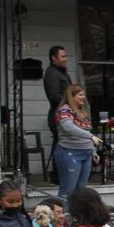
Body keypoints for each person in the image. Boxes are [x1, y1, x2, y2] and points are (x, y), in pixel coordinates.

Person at [54, 84, 103, 201]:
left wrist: (93, 152)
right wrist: (91, 137)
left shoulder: (82, 113)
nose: (84, 97)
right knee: (68, 190)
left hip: (85, 154)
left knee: (81, 190)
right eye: (80, 95)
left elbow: (86, 133)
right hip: (69, 152)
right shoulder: (64, 110)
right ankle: (64, 217)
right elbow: (68, 127)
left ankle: (77, 217)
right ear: (72, 96)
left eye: (84, 95)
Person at [43, 46, 73, 182]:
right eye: (63, 56)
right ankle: (57, 175)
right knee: (60, 144)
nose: (66, 59)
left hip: (68, 114)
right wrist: (71, 100)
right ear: (53, 58)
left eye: (66, 56)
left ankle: (65, 173)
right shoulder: (52, 74)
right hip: (58, 116)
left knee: (66, 143)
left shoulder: (62, 73)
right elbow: (54, 96)